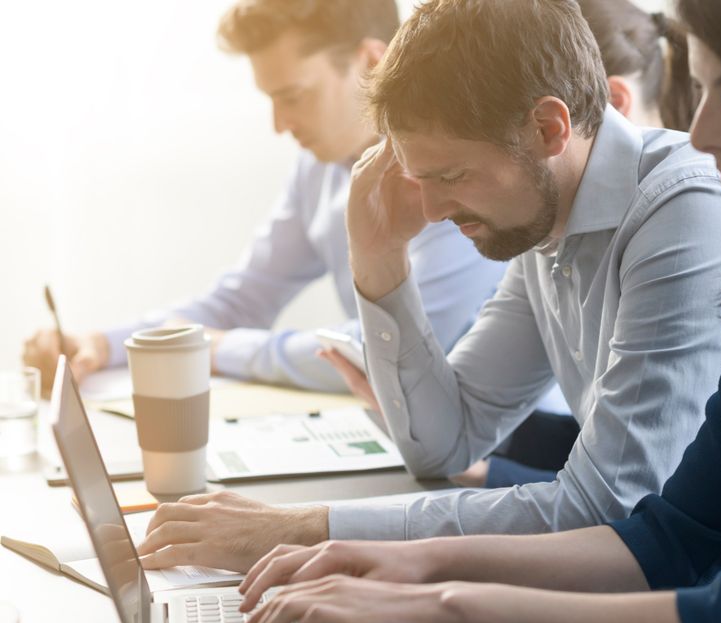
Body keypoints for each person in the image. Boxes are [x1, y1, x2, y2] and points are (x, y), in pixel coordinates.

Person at [232, 0, 721, 623]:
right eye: (705, 90)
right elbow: (673, 536)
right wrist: (414, 565)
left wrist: (439, 603)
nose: (703, 132)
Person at [136, 0, 721, 572]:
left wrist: (307, 529)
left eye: (451, 174)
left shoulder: (684, 208)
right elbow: (444, 444)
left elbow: (608, 511)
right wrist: (380, 259)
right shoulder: (543, 225)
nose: (429, 210)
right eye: (417, 178)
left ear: (547, 128)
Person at [20, 0, 506, 394]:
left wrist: (215, 349)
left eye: (293, 96)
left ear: (371, 63)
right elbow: (244, 299)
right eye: (271, 100)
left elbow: (385, 352)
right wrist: (103, 345)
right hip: (402, 432)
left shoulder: (451, 177)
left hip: (501, 460)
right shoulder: (318, 169)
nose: (280, 125)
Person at [465, 0, 701, 489]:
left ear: (610, 104)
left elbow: (625, 488)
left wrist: (490, 475)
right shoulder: (546, 227)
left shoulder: (682, 209)